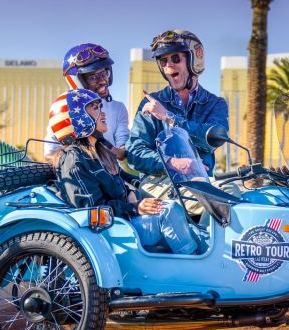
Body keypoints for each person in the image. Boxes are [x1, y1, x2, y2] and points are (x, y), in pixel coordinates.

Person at [50, 89, 198, 254]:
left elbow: (120, 178)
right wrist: (134, 208)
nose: (103, 112)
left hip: (124, 221)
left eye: (100, 106)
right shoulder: (74, 159)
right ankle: (194, 263)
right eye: (95, 108)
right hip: (110, 232)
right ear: (76, 119)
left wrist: (133, 191)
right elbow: (91, 210)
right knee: (169, 211)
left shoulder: (100, 151)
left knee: (183, 213)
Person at [127, 29, 229, 177]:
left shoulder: (215, 104)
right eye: (163, 61)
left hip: (201, 182)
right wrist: (172, 163)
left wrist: (169, 117)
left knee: (236, 196)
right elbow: (135, 151)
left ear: (194, 60)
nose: (168, 65)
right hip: (160, 182)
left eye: (175, 58)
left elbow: (212, 140)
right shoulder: (150, 103)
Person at [45, 44, 129, 165]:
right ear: (76, 80)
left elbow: (122, 152)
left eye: (104, 74)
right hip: (77, 175)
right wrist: (79, 159)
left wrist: (101, 143)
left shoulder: (118, 108)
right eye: (93, 77)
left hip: (111, 175)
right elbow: (49, 156)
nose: (102, 81)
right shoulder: (64, 109)